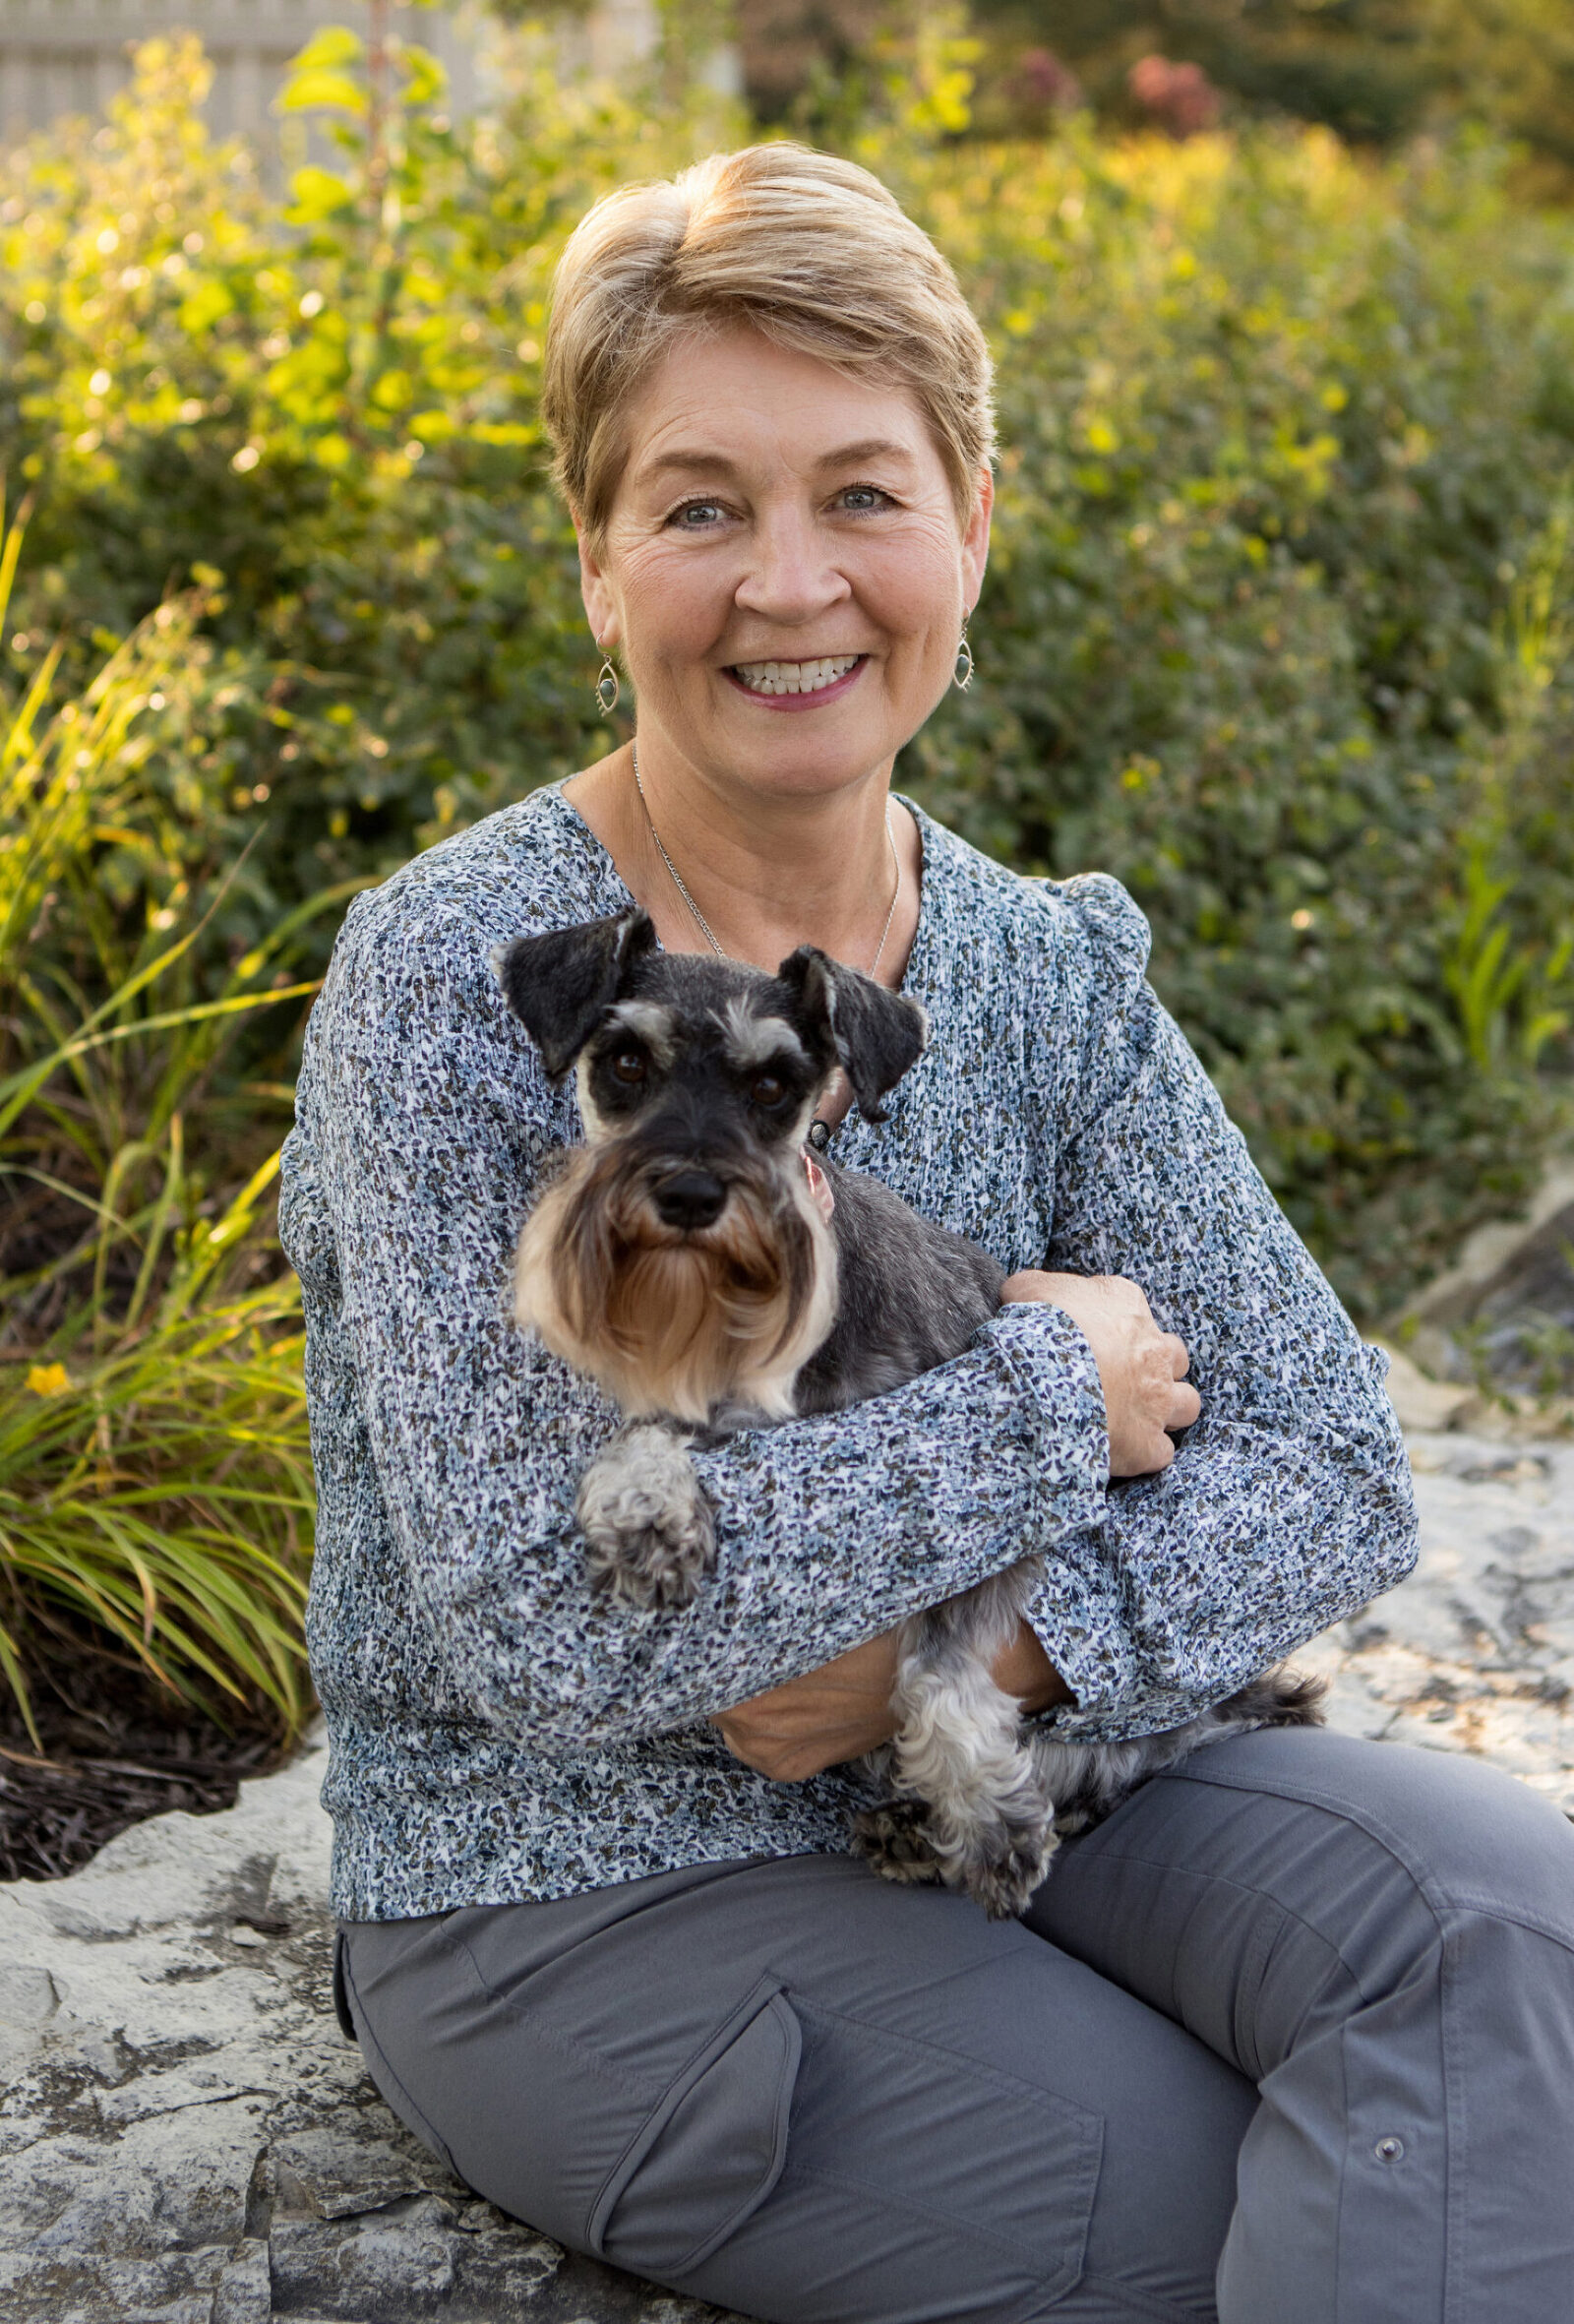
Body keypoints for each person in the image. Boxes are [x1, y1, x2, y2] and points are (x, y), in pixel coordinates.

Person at [278, 144, 1574, 2323]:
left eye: (861, 493)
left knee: (1521, 1961)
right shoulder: (452, 978)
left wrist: (979, 1653)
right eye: (699, 505)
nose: (790, 583)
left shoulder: (1040, 966)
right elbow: (561, 1623)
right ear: (595, 563)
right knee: (1239, 2211)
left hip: (1047, 1756)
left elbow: (1328, 1458)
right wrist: (1046, 1389)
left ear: (970, 525)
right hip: (587, 1879)